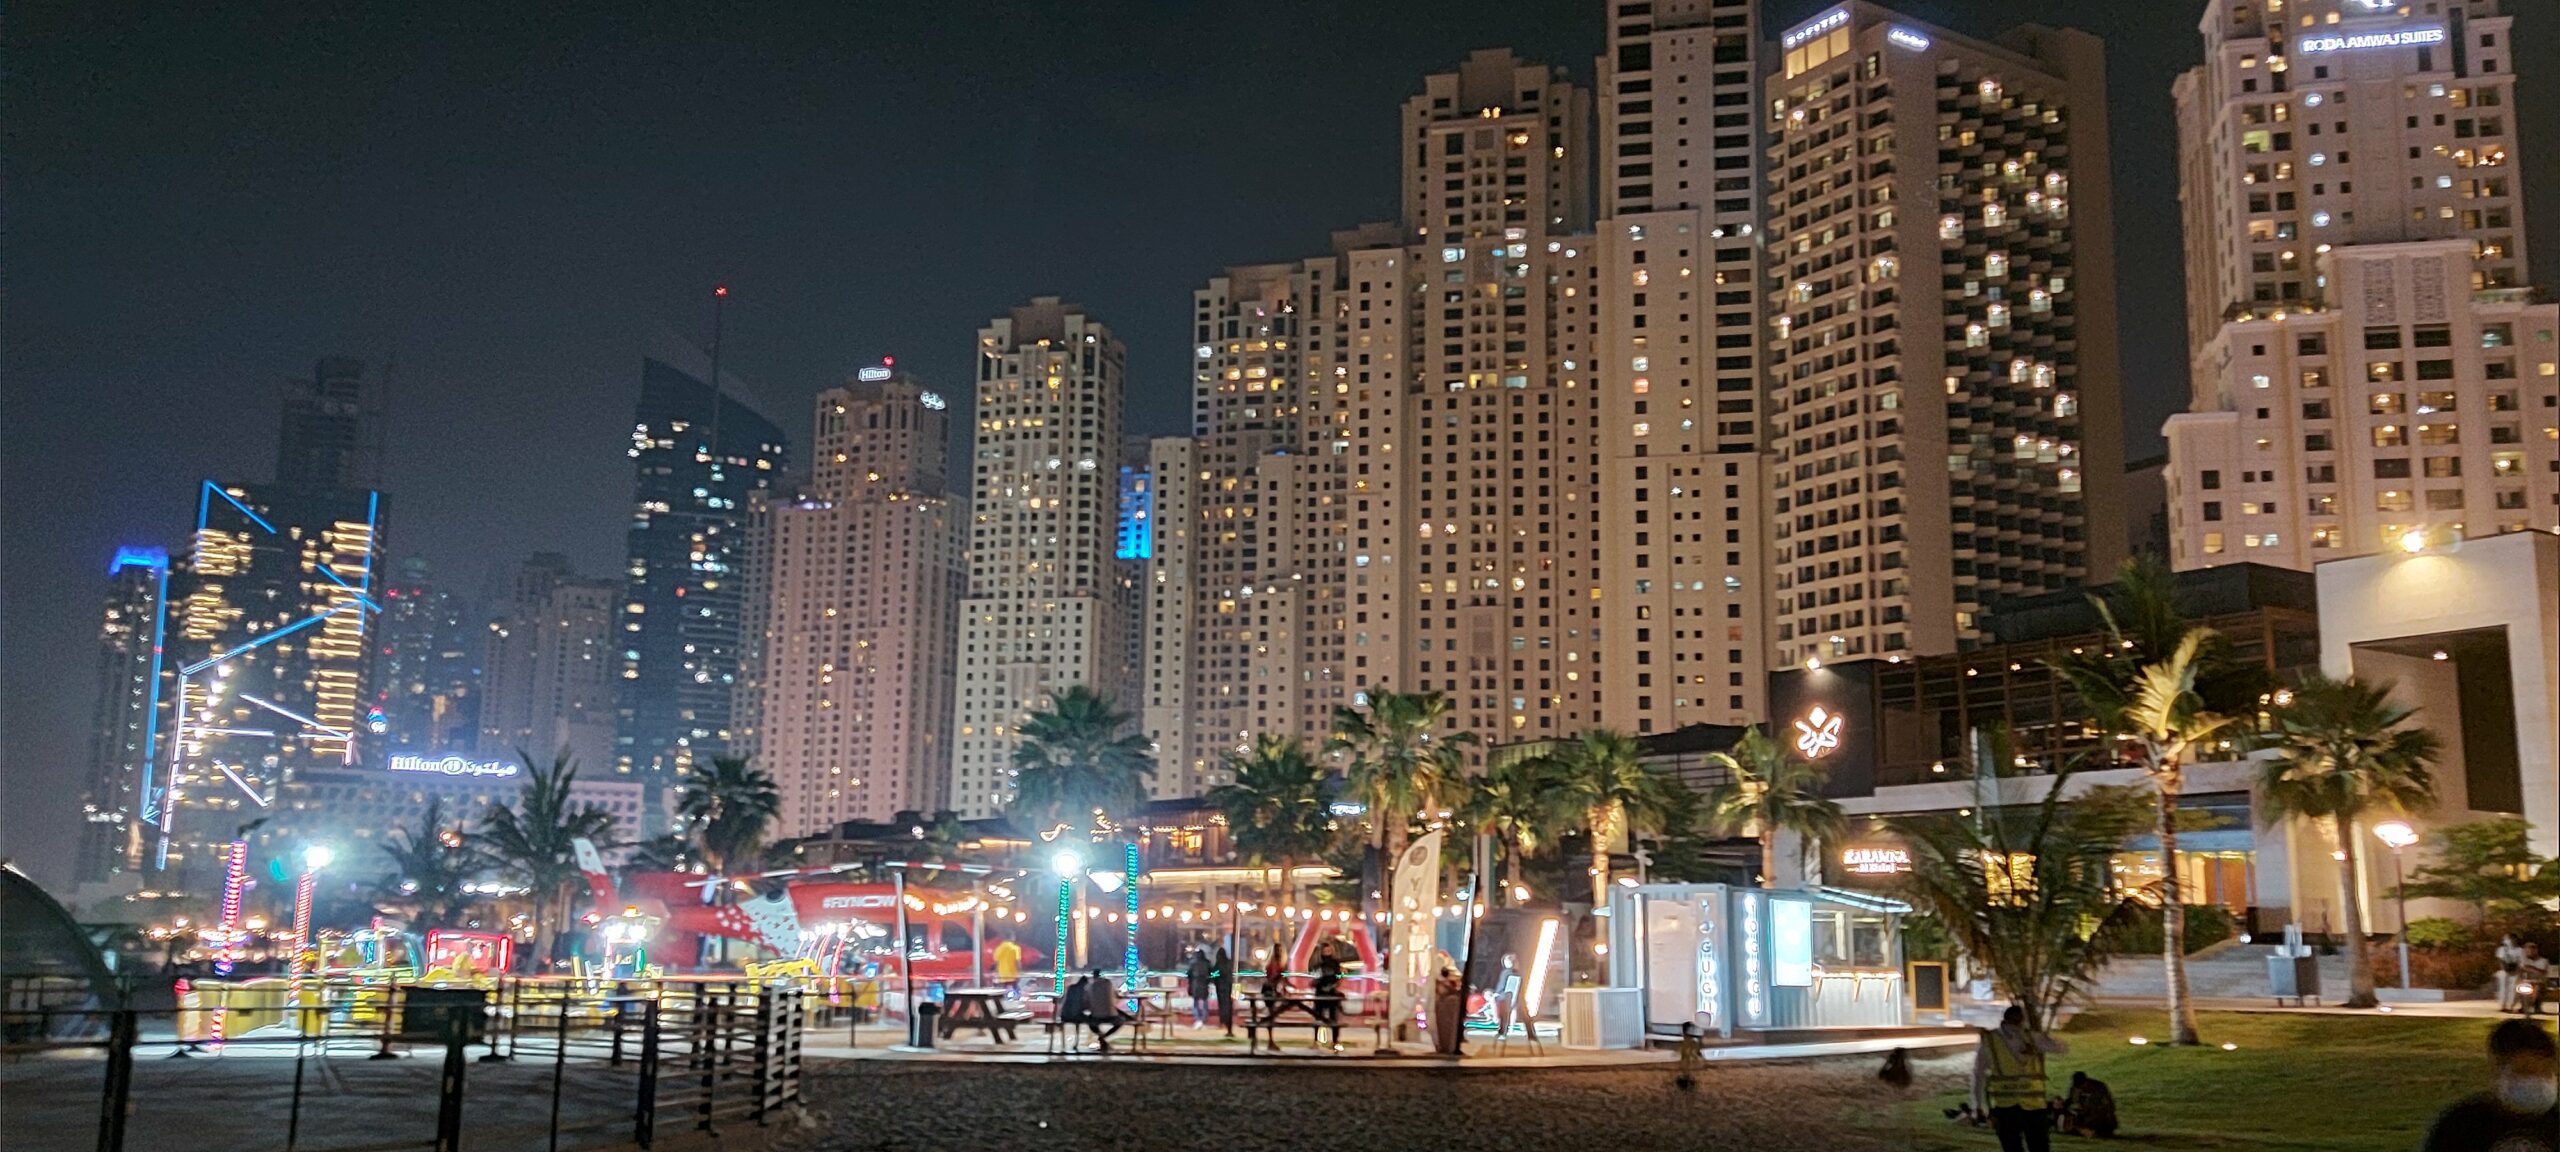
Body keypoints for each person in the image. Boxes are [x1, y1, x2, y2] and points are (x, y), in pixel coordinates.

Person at [2422, 1019, 2557, 1152]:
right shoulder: (2461, 1127)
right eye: (2526, 1071)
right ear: (2497, 1070)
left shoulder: (2554, 1123)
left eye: (2545, 1071)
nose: (2538, 1079)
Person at [1973, 1005, 2067, 1152]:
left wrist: (1977, 1105)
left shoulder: (1991, 1040)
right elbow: (2062, 1048)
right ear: (2023, 1020)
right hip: (2029, 1107)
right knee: (2037, 1147)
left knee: (2015, 1147)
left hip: (2009, 1107)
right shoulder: (2032, 1037)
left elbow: (1978, 1075)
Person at [2057, 1070, 2118, 1138]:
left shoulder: (2099, 1088)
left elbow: (2107, 1107)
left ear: (2086, 1082)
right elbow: (2071, 1101)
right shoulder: (2075, 1089)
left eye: (2082, 1086)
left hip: (2100, 1118)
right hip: (2085, 1117)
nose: (2081, 1089)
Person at [1082, 968, 1127, 1052]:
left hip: (1096, 1016)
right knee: (1121, 1021)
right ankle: (1103, 1038)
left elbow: (1086, 1002)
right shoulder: (1108, 983)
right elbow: (1117, 995)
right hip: (1111, 1015)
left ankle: (1102, 1038)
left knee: (1091, 1023)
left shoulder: (1089, 986)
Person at [1311, 948, 1346, 1050]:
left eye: (1328, 951)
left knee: (1333, 1018)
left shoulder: (1335, 964)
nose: (1326, 954)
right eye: (1324, 951)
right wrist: (1315, 982)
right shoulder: (1318, 964)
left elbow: (1339, 977)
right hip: (1320, 993)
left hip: (1331, 994)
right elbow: (1315, 978)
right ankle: (1315, 1041)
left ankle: (1335, 1041)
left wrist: (1333, 986)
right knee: (1318, 1017)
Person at [1184, 945, 1214, 1028]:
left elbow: (1188, 974)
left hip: (1195, 984)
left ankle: (1197, 1017)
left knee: (1195, 1001)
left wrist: (1189, 984)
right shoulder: (1207, 963)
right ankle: (1204, 1017)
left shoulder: (1192, 963)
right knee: (1204, 1001)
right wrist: (1209, 980)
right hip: (1204, 983)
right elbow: (1212, 973)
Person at [2520, 945, 2553, 1018]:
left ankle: (2536, 1007)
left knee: (2537, 988)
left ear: (2536, 951)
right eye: (2527, 951)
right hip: (2527, 982)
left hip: (2539, 983)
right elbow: (2522, 971)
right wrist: (2535, 970)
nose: (2529, 953)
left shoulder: (2543, 961)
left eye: (2531, 951)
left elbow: (2542, 973)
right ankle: (2525, 1007)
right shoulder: (2524, 961)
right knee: (2522, 987)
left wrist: (2530, 968)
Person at [2498, 936, 2528, 1013]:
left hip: (2516, 971)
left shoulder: (2520, 950)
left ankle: (2510, 1006)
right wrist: (2505, 969)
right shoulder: (2502, 949)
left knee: (2513, 989)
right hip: (2505, 971)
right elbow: (2501, 960)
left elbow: (2522, 963)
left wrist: (2517, 970)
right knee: (2503, 988)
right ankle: (2502, 1005)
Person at [1212, 943, 1237, 1034]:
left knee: (1222, 1005)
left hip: (1221, 987)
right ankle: (1229, 1022)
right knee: (1229, 1004)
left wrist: (1214, 980)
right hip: (1230, 986)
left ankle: (1223, 1021)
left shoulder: (1218, 964)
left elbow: (1214, 974)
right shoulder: (1229, 963)